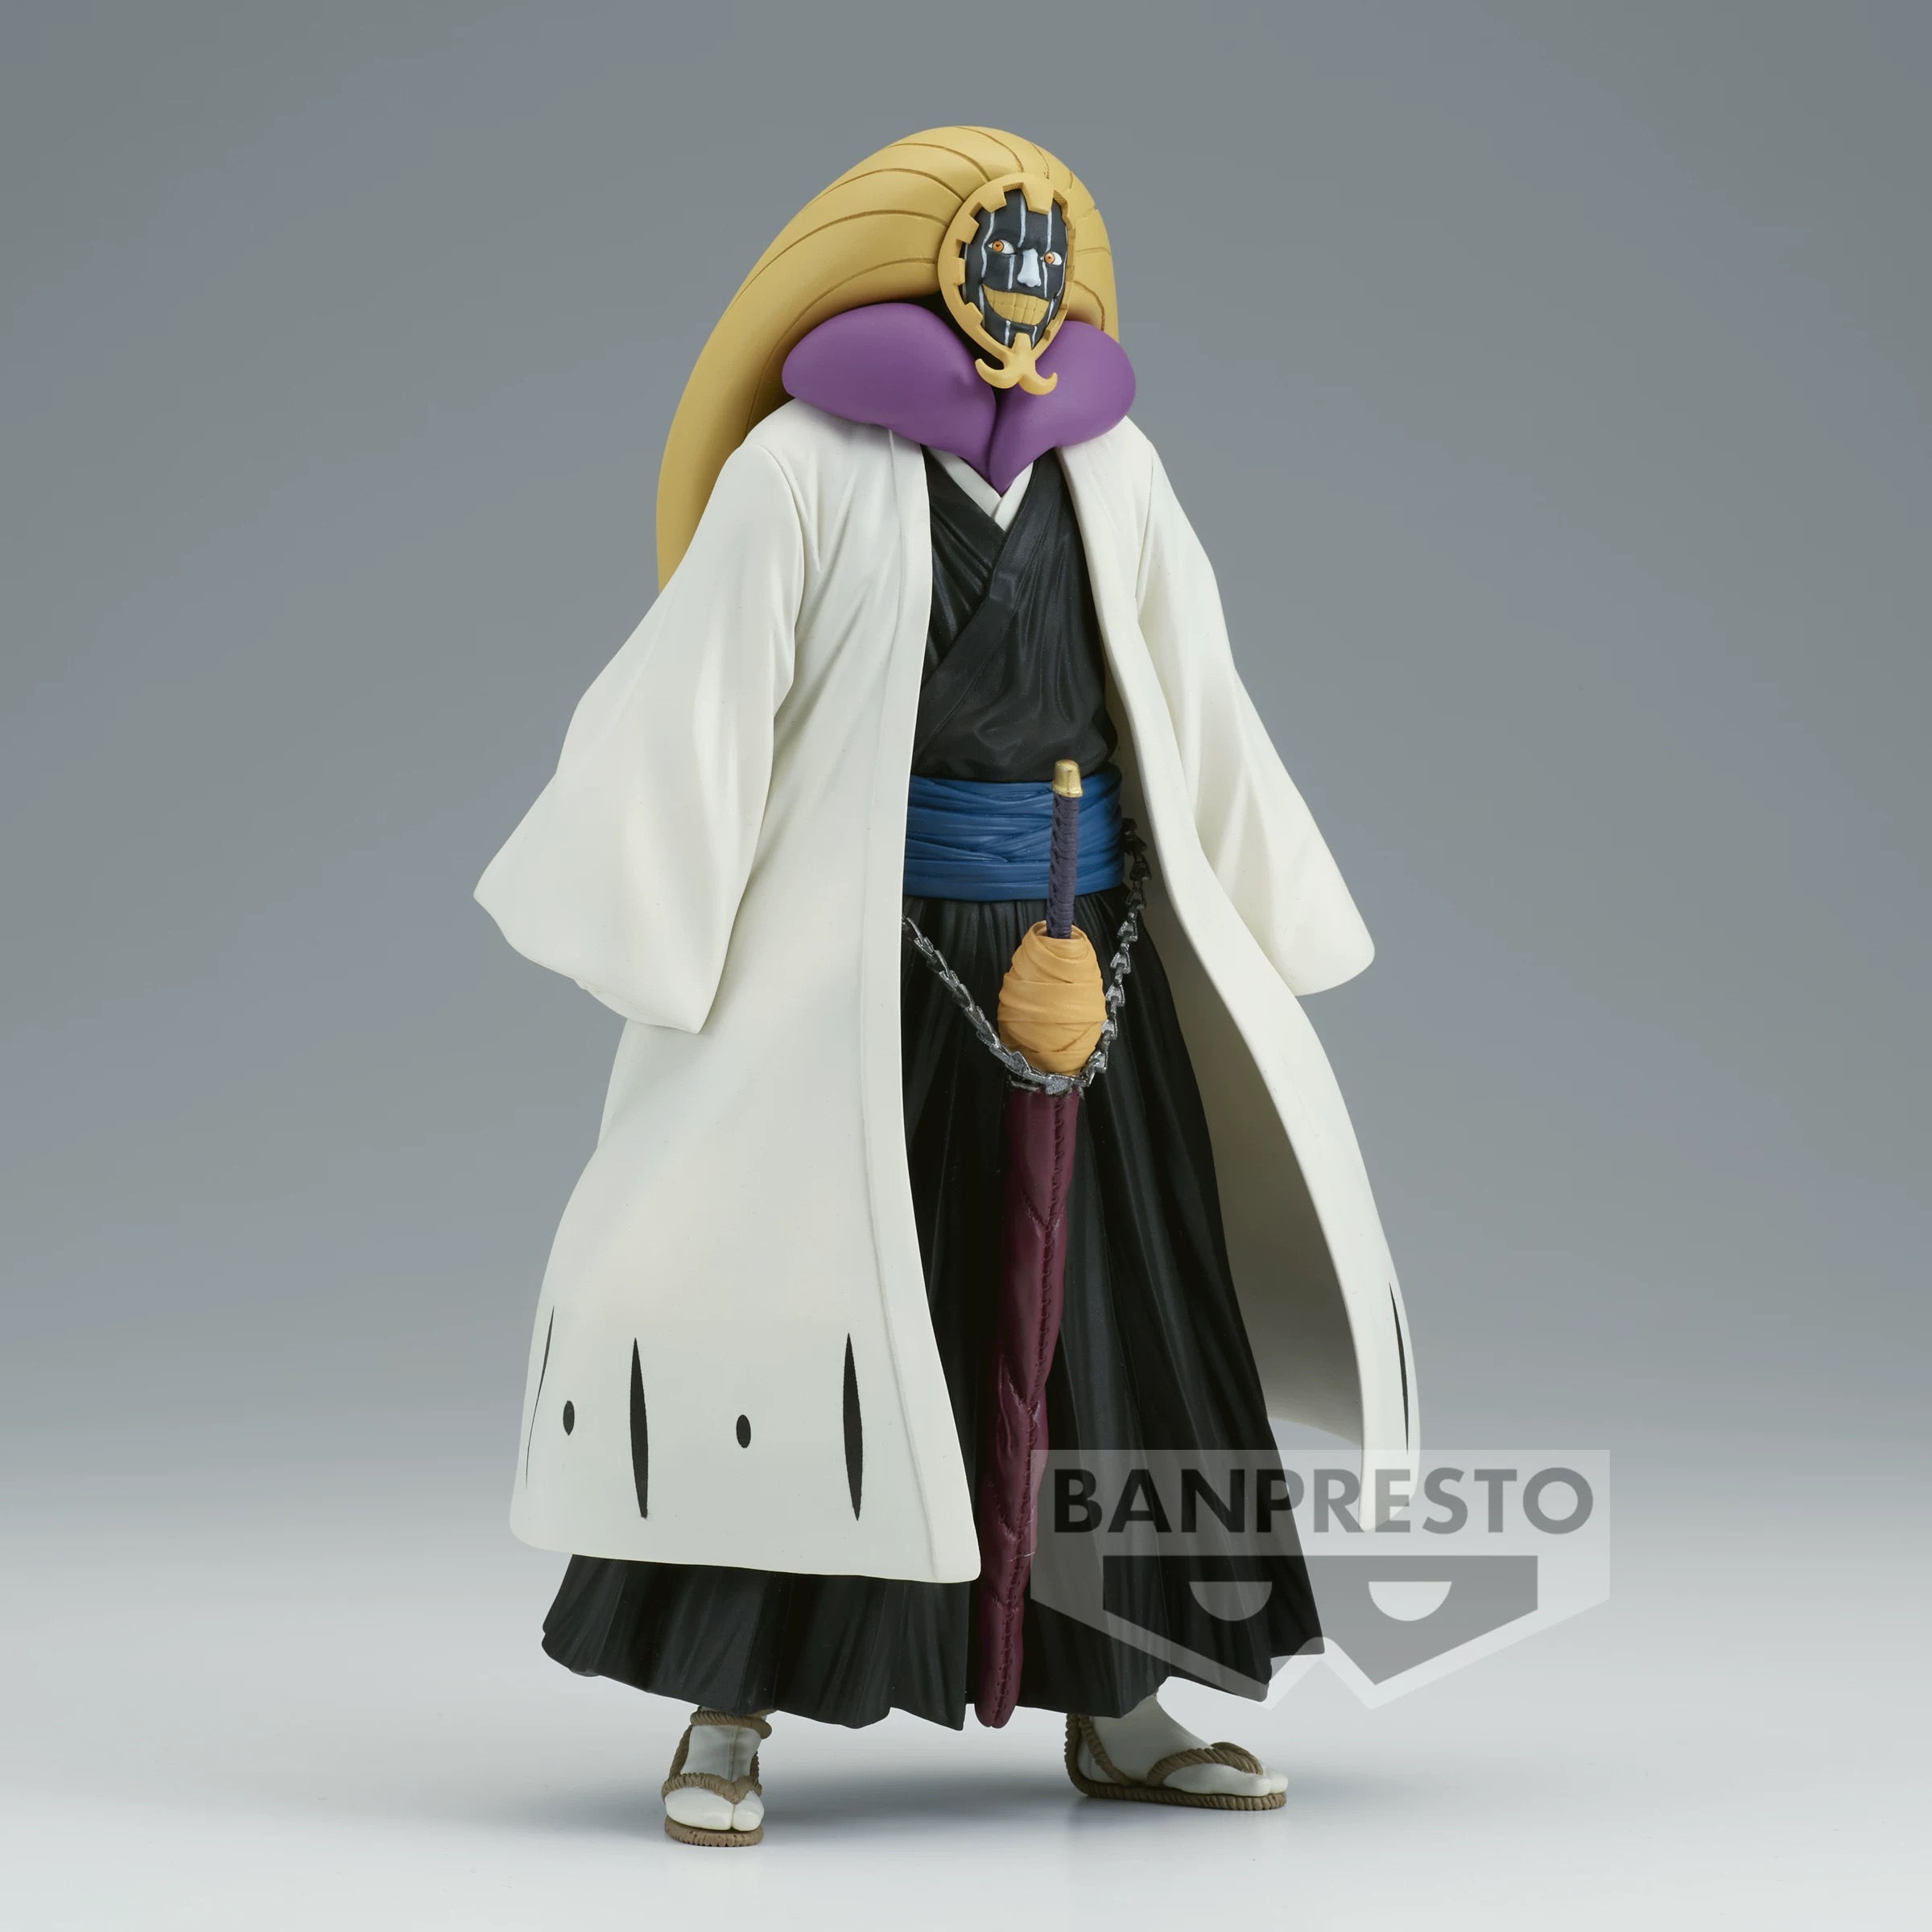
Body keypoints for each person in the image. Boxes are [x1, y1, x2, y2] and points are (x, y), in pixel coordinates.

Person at [477, 126, 1416, 1848]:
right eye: (988, 273)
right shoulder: (804, 468)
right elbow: (703, 702)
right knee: (797, 1318)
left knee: (1115, 1322)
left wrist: (1266, 903)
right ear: (911, 277)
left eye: (1041, 279)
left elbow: (1193, 694)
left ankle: (1126, 1694)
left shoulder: (1112, 467)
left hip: (1090, 956)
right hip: (873, 965)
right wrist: (660, 919)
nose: (1015, 311)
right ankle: (730, 1698)